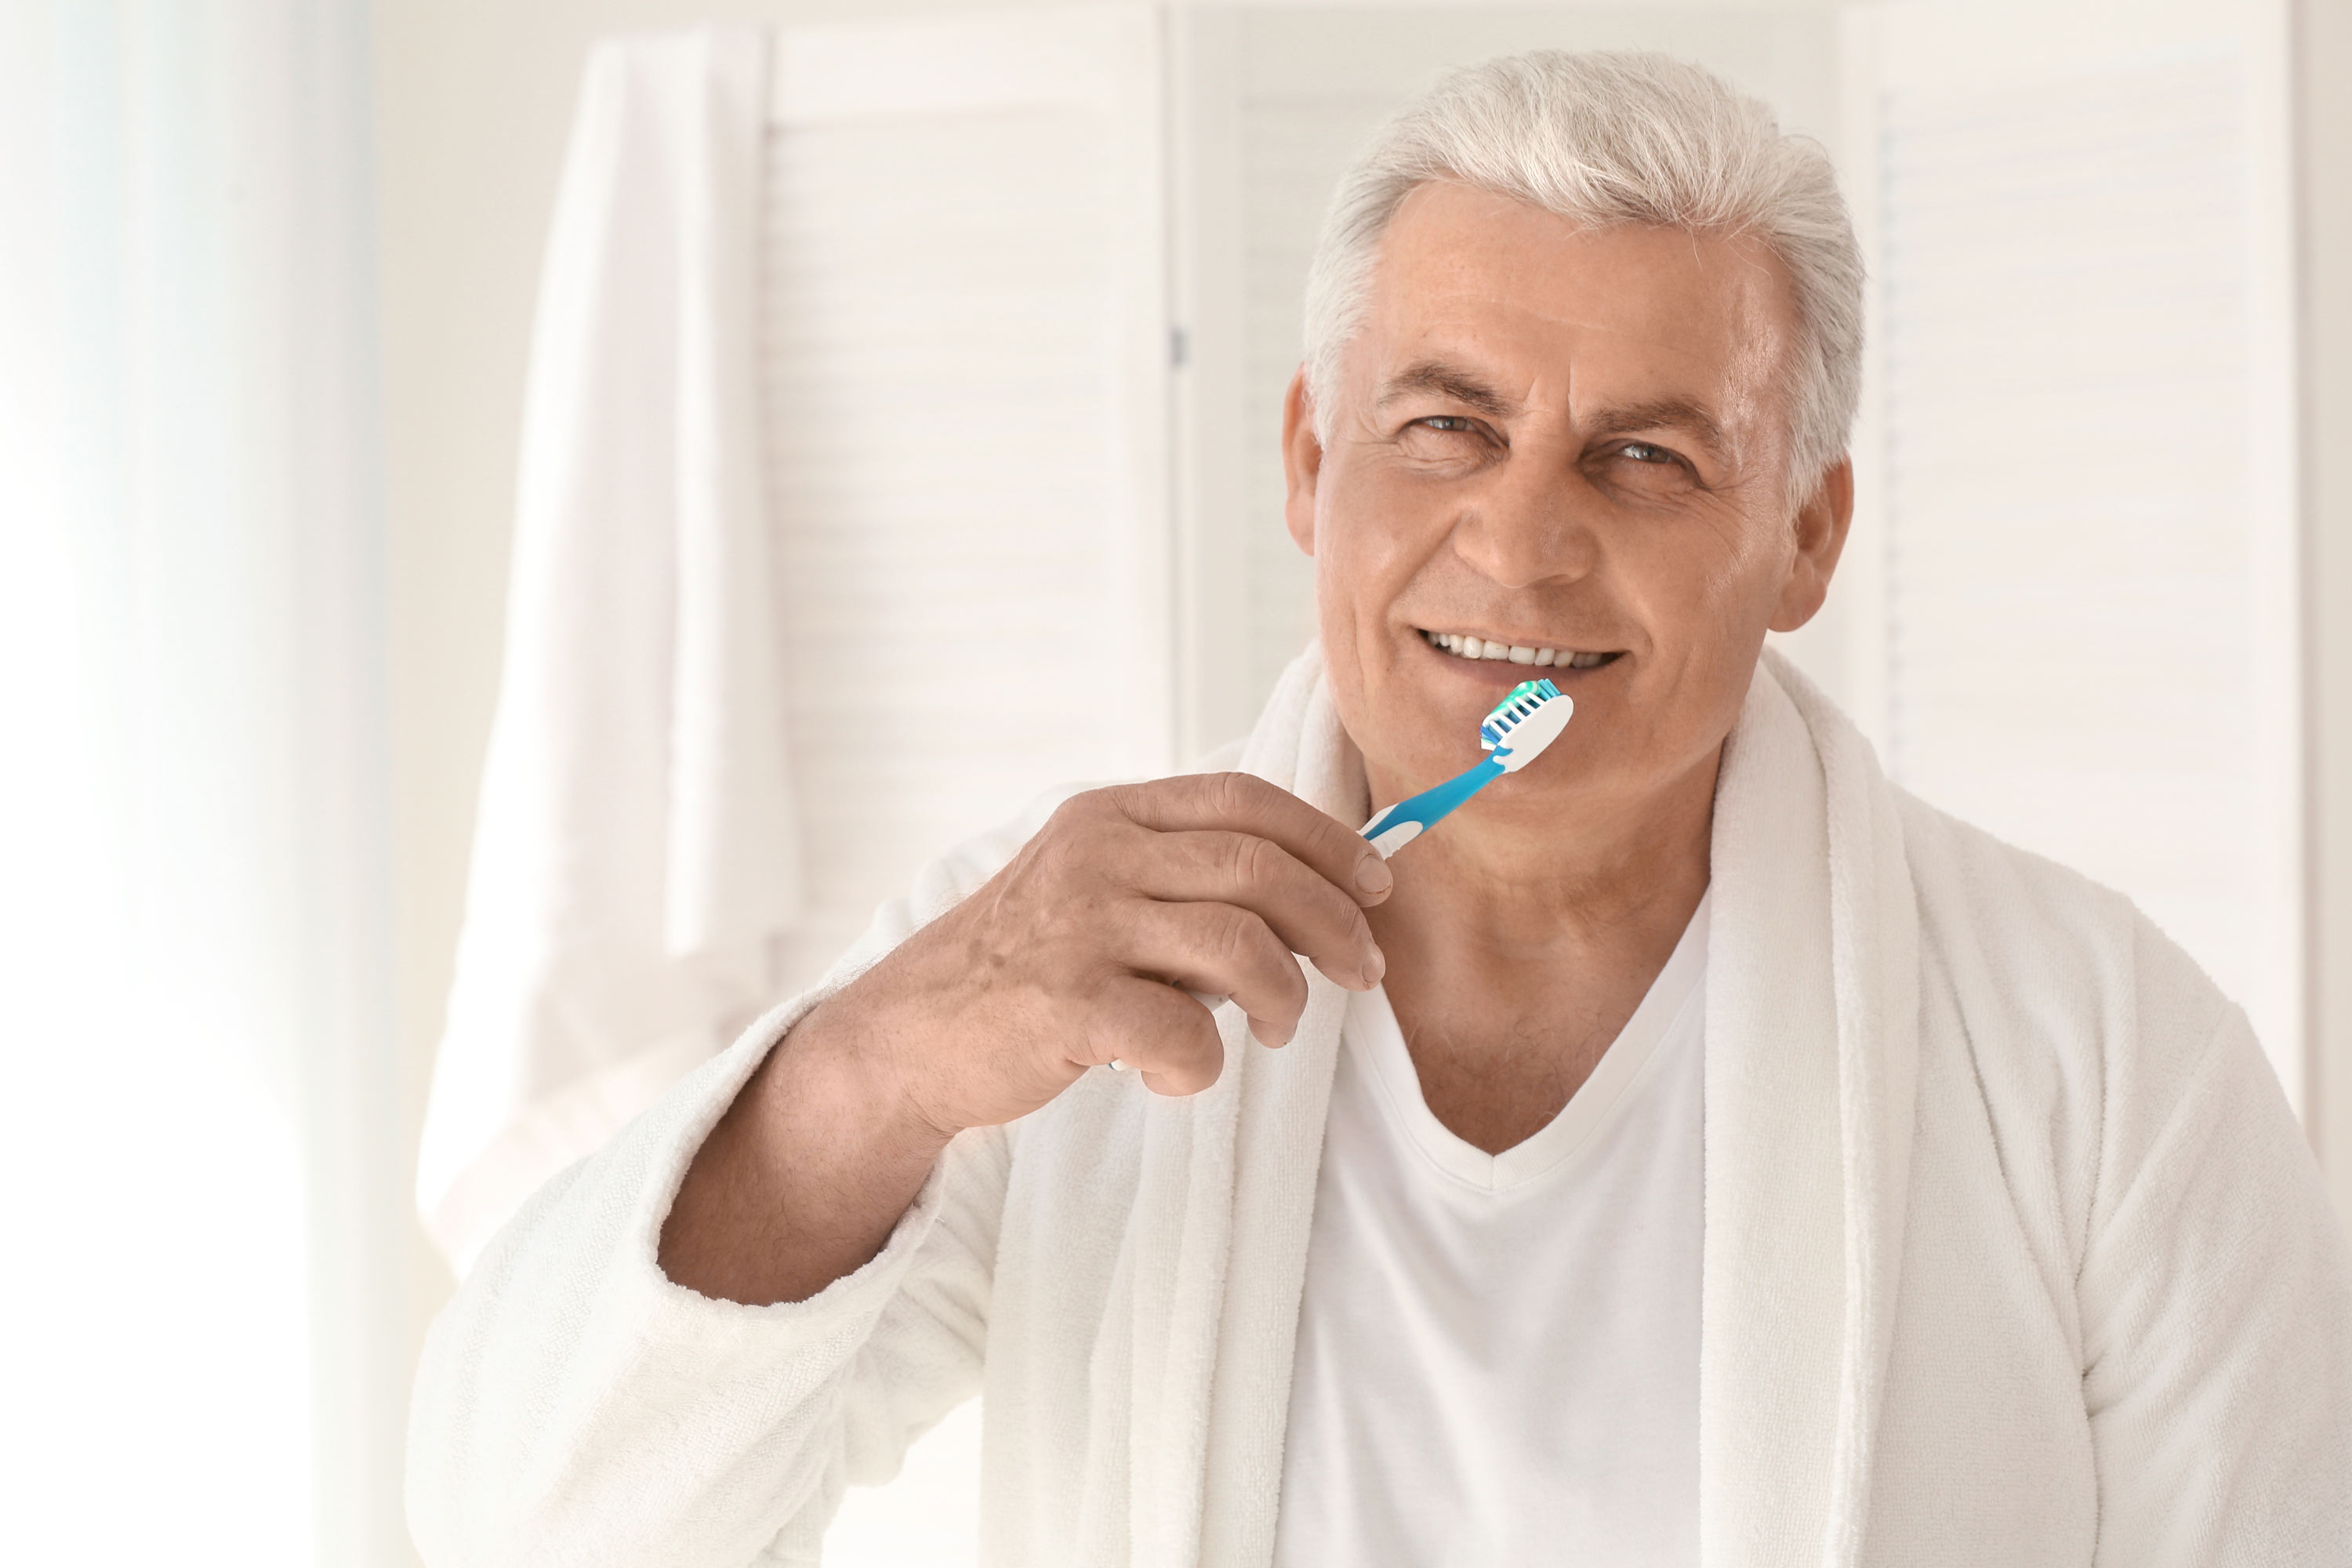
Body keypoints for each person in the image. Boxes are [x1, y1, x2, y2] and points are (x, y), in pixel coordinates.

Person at [407, 51, 2352, 1567]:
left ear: (1808, 536)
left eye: (1648, 456)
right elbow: (545, 1522)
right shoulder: (1044, 986)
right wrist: (861, 1077)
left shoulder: (2109, 1065)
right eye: (1445, 426)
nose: (1522, 543)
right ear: (1306, 459)